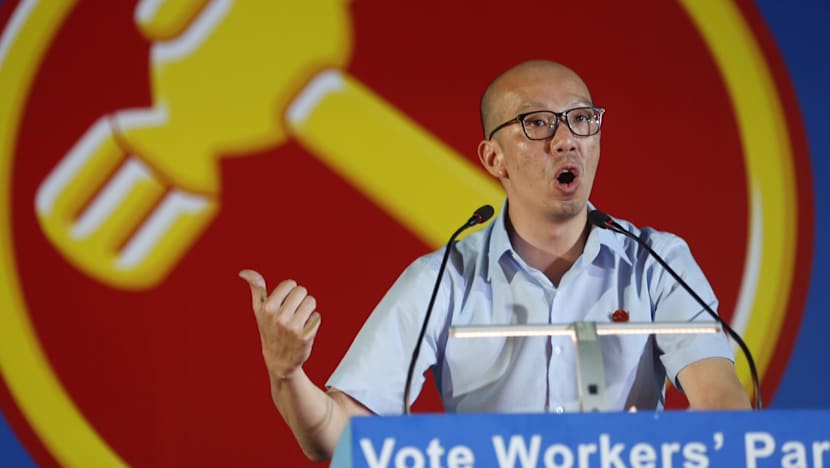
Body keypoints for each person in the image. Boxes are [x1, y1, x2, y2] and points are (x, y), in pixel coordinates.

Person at [239, 59, 751, 461]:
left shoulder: (655, 262)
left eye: (581, 118)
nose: (565, 138)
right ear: (493, 159)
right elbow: (336, 437)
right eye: (536, 123)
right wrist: (287, 374)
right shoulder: (443, 279)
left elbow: (721, 404)